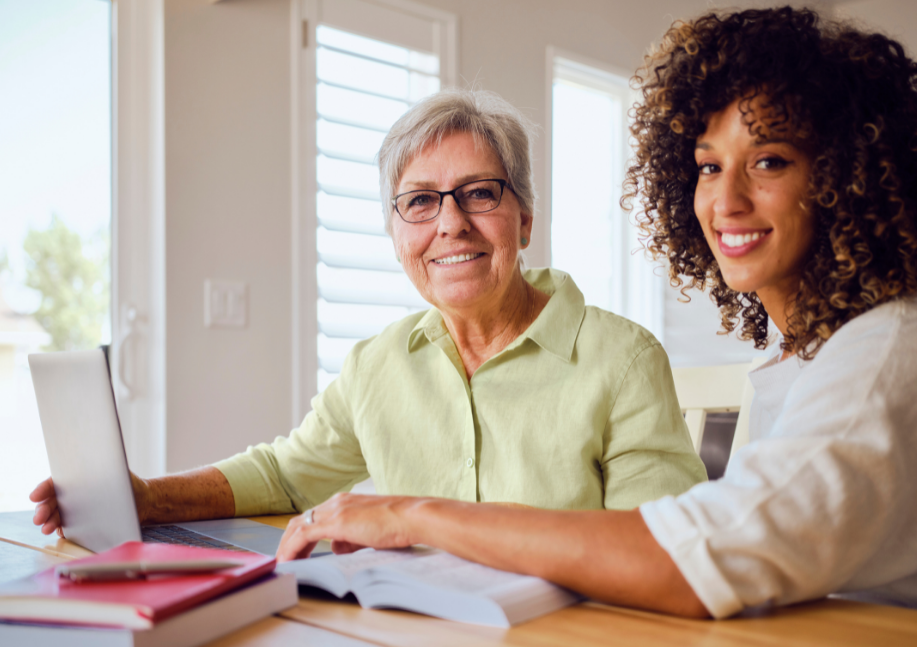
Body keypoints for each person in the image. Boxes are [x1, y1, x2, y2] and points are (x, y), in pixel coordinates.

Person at [272, 6, 917, 619]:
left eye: (769, 160)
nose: (726, 200)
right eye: (707, 167)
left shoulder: (888, 351)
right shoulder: (803, 352)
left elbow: (694, 555)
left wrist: (412, 515)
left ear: (850, 174)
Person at [30, 90, 705, 535]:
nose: (450, 224)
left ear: (524, 221)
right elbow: (285, 475)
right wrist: (148, 498)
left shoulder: (623, 359)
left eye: (478, 193)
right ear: (396, 233)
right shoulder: (378, 365)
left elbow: (657, 549)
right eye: (419, 201)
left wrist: (413, 518)